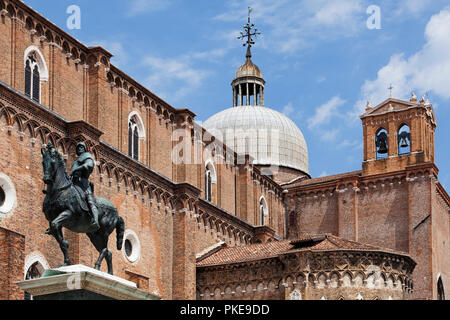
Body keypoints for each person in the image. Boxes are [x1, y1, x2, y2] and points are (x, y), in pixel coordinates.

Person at [70, 142, 100, 231]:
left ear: (84, 149)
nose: (79, 149)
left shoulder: (87, 156)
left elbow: (89, 165)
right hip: (73, 182)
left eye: (81, 147)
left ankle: (95, 220)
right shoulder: (76, 161)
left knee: (90, 201)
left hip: (84, 183)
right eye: (78, 147)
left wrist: (78, 169)